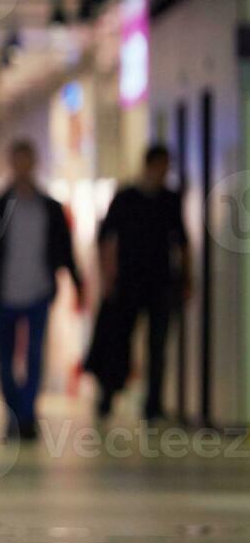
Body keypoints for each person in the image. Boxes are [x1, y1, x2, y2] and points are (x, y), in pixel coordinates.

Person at [0, 139, 83, 441]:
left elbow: (64, 248)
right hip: (3, 293)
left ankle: (27, 414)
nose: (22, 167)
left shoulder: (50, 207)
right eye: (17, 161)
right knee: (5, 359)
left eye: (27, 161)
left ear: (34, 163)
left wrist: (77, 281)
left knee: (34, 357)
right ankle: (13, 412)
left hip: (39, 292)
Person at [85, 144, 190, 421]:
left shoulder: (169, 200)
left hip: (160, 284)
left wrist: (187, 278)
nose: (165, 171)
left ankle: (153, 404)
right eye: (162, 165)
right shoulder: (126, 198)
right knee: (120, 340)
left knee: (158, 346)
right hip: (128, 282)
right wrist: (108, 278)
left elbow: (182, 242)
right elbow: (107, 240)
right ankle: (108, 393)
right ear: (150, 165)